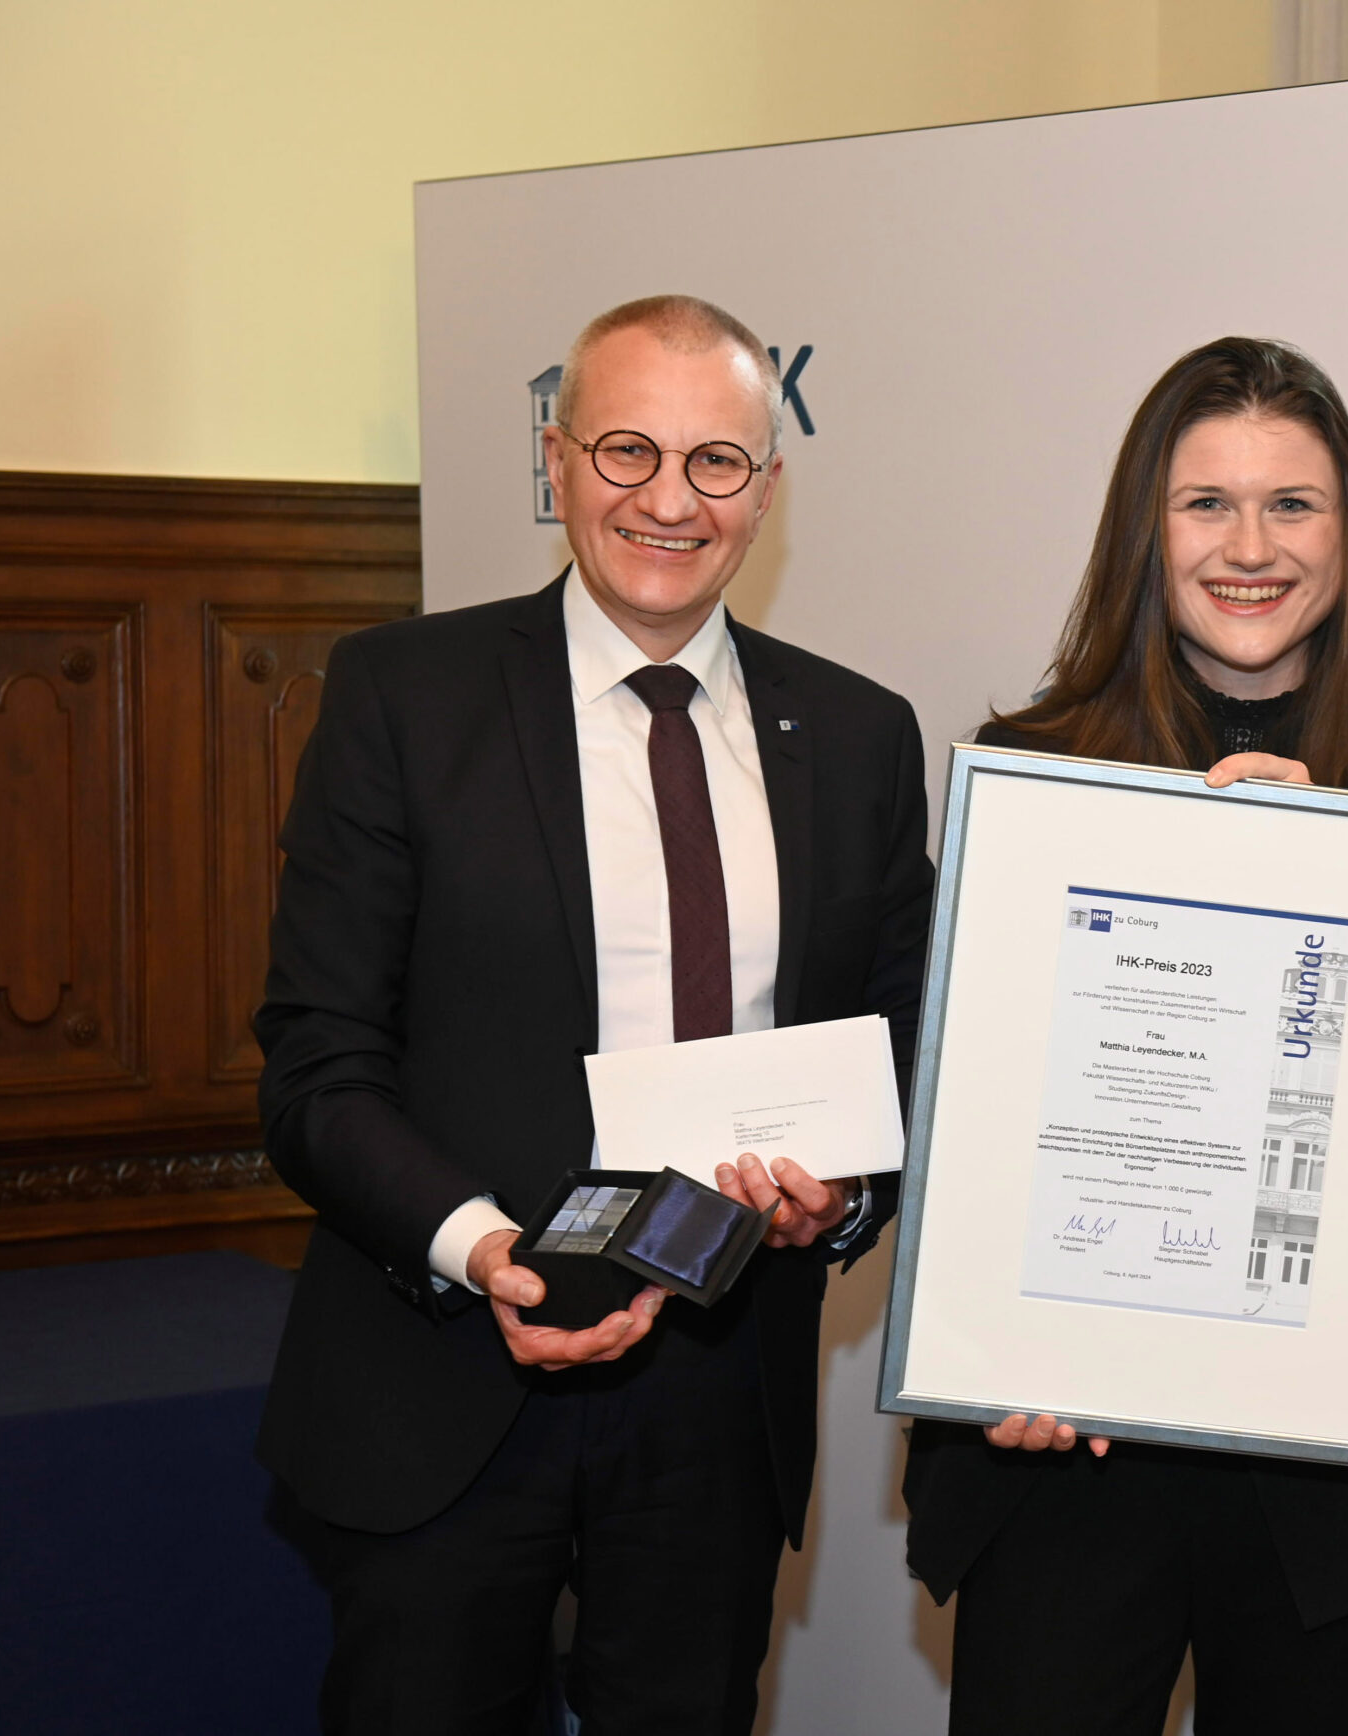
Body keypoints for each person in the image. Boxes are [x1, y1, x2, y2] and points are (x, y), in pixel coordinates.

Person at [254, 294, 932, 1734]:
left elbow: (897, 1044)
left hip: (719, 1389)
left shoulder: (862, 737)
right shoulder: (403, 696)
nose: (669, 500)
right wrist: (482, 1250)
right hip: (440, 1374)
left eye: (715, 462)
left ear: (768, 487)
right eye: (627, 451)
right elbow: (318, 1062)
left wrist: (842, 1203)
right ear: (554, 460)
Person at [899, 337, 1348, 1736]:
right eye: (1205, 503)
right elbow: (985, 1113)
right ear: (1143, 532)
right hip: (1061, 1453)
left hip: (1324, 1472)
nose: (1251, 546)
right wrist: (994, 1346)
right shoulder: (1028, 769)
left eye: (1293, 504)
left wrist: (1332, 869)